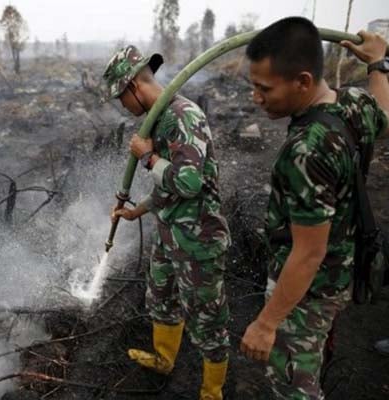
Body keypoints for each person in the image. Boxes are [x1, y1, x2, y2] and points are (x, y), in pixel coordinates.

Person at [239, 17, 389, 399]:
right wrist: (377, 65)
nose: (255, 97)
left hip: (309, 292)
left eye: (264, 88)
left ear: (303, 81)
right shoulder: (352, 104)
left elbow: (308, 253)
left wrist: (267, 323)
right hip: (342, 271)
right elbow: (384, 113)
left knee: (293, 386)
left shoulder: (306, 150)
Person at [102, 45, 231, 400]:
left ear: (133, 87)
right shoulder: (158, 119)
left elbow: (188, 183)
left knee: (206, 318)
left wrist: (146, 157)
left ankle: (212, 390)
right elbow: (169, 186)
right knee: (161, 297)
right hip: (171, 232)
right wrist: (137, 211)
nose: (123, 107)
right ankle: (163, 359)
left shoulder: (182, 115)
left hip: (198, 240)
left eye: (121, 99)